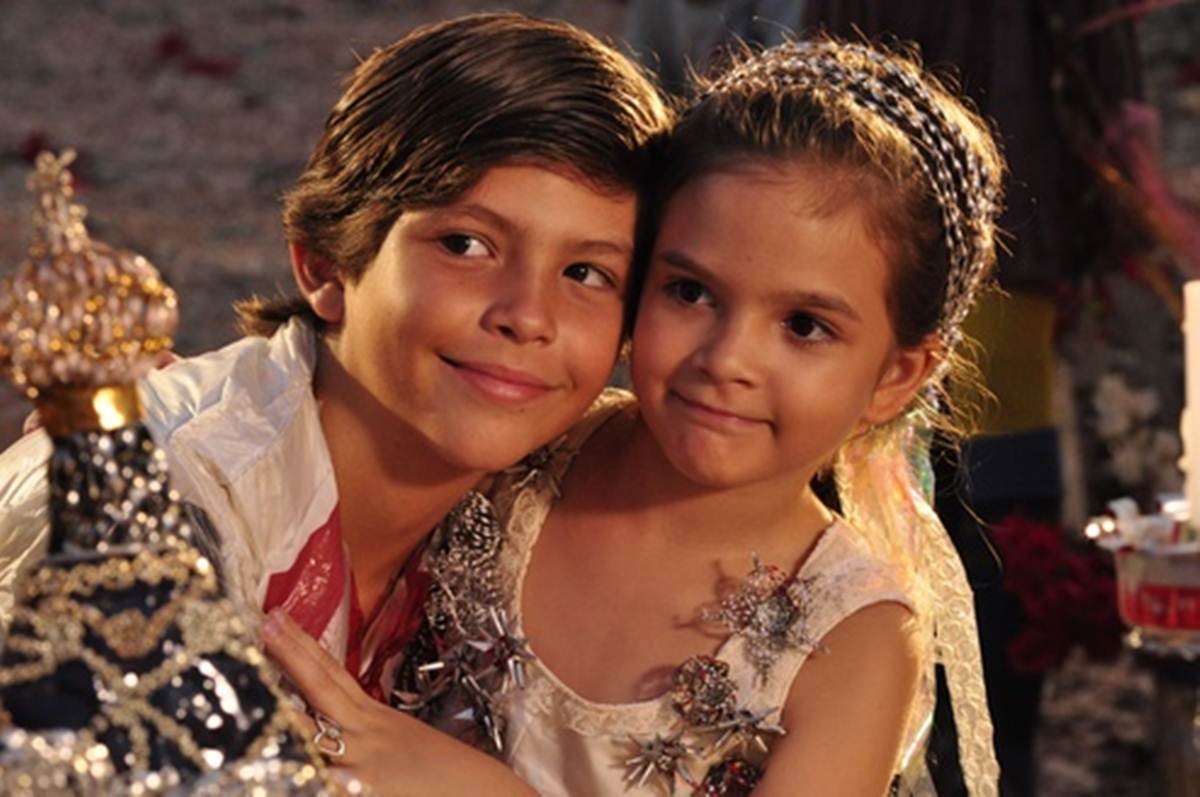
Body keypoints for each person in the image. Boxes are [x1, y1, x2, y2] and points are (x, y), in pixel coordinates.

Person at [265, 36, 1006, 796]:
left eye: (804, 326)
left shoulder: (855, 640)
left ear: (897, 375)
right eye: (690, 292)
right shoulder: (529, 438)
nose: (727, 359)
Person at [0, 10, 670, 717]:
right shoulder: (148, 526)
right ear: (326, 265)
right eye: (466, 245)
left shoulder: (532, 493)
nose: (528, 316)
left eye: (587, 273)